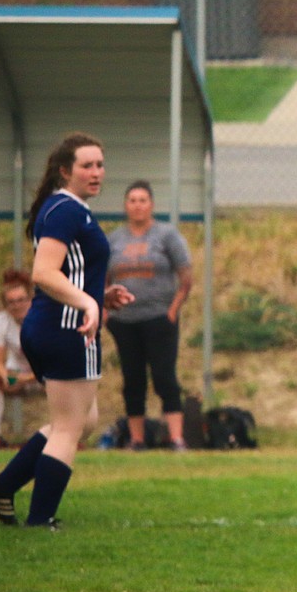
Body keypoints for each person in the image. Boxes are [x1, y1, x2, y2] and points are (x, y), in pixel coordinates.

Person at [0, 132, 133, 529]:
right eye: (87, 165)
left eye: (100, 164)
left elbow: (71, 272)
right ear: (65, 171)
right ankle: (40, 519)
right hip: (66, 328)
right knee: (69, 426)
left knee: (85, 417)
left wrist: (100, 295)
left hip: (55, 325)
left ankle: (3, 486)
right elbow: (43, 273)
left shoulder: (70, 208)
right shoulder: (64, 210)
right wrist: (86, 303)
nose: (97, 172)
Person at [105, 180, 193, 451]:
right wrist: (107, 312)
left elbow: (186, 276)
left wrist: (173, 310)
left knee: (164, 377)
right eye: (132, 200)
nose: (137, 205)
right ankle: (137, 439)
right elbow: (101, 278)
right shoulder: (114, 240)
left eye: (143, 200)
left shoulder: (166, 235)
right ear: (125, 205)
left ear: (151, 205)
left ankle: (176, 438)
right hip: (124, 321)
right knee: (133, 380)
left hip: (159, 318)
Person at [0, 269, 44, 451]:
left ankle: (68, 437)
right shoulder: (1, 321)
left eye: (21, 300)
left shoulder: (43, 319)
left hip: (43, 373)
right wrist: (5, 375)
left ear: (30, 299)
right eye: (11, 302)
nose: (17, 306)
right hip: (18, 374)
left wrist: (31, 377)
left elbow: (53, 360)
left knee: (65, 383)